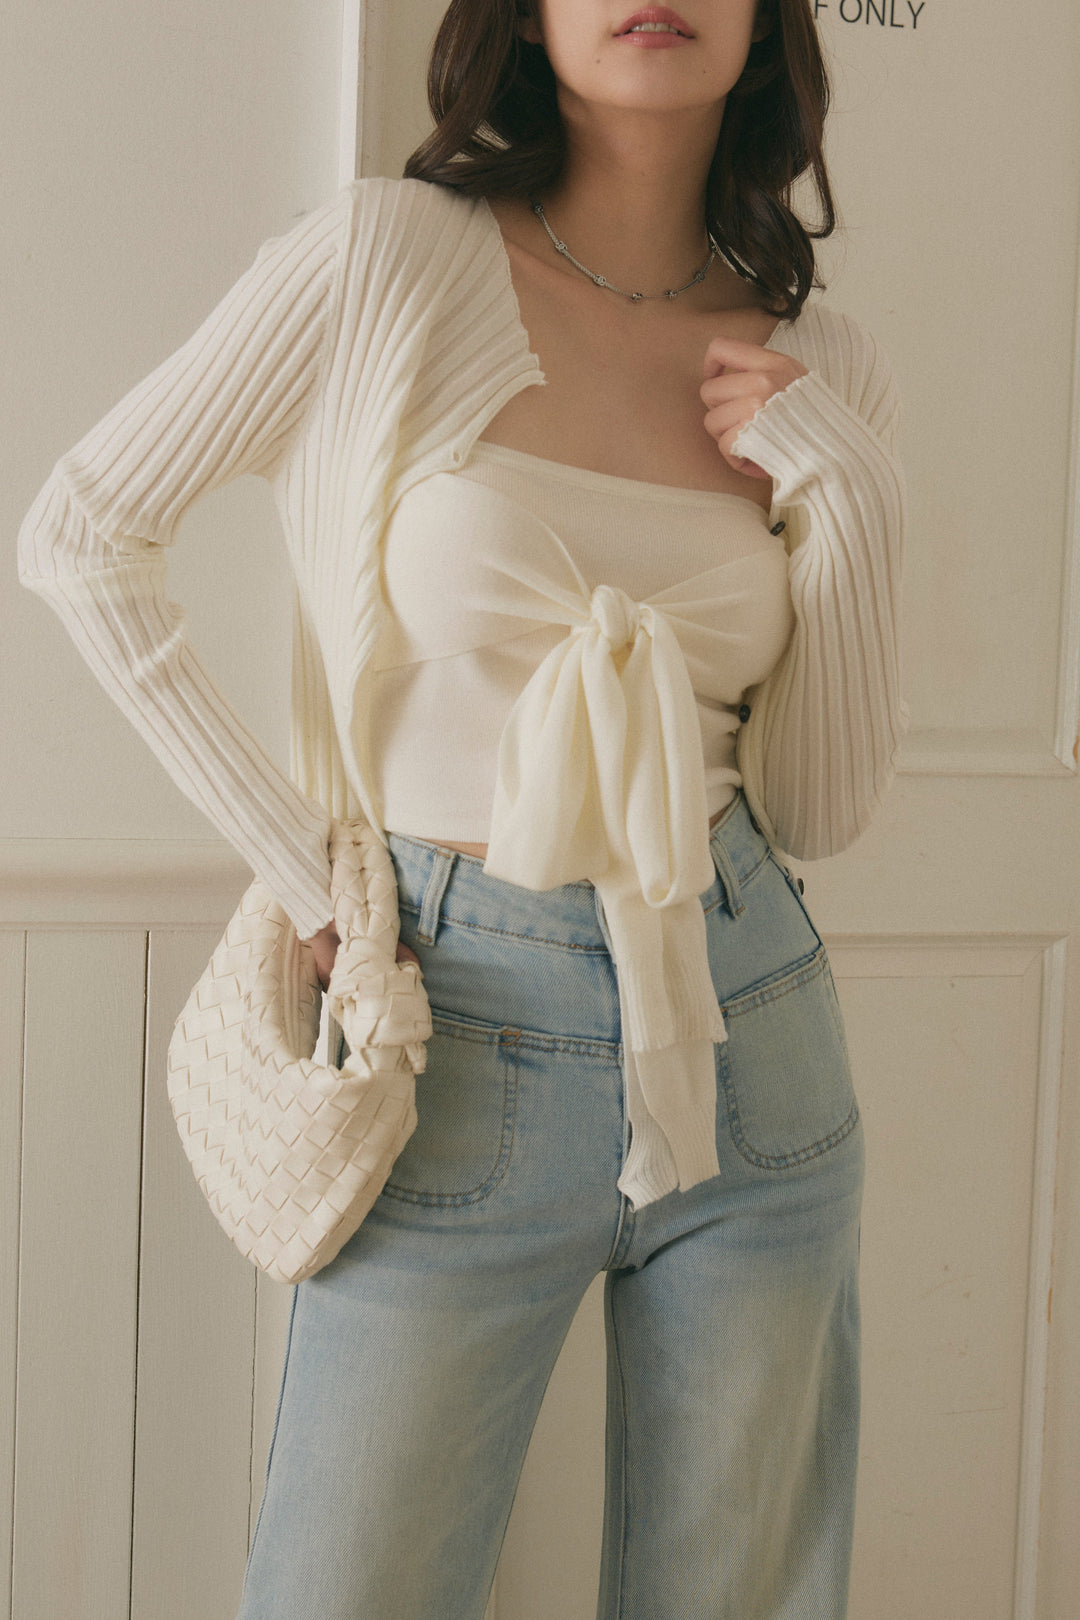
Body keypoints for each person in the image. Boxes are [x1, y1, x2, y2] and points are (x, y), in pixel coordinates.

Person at [16, 1, 908, 1615]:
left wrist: (851, 487)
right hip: (454, 1019)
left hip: (752, 1026)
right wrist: (312, 878)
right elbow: (82, 535)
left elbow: (820, 806)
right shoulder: (388, 259)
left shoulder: (818, 361)